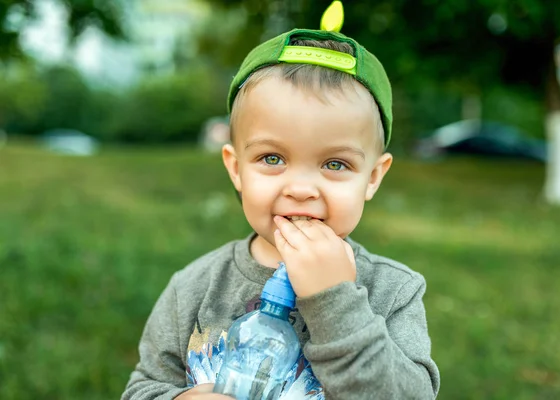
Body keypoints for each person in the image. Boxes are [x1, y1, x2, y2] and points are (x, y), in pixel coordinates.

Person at [122, 4, 440, 400]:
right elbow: (144, 386)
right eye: (272, 159)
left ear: (372, 177)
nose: (302, 188)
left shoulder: (391, 291)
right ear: (236, 169)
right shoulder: (194, 288)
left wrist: (334, 301)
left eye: (335, 163)